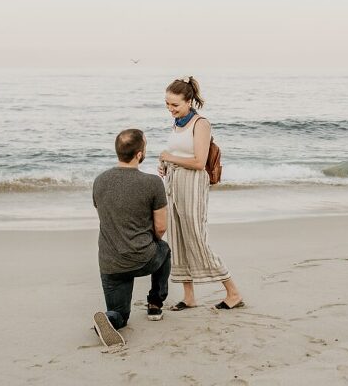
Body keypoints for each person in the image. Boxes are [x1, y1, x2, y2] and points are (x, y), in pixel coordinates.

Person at [158, 76, 244, 310]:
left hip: (193, 184)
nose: (170, 109)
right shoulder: (176, 123)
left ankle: (233, 292)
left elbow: (198, 162)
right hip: (174, 182)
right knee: (178, 238)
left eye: (174, 105)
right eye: (167, 103)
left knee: (196, 238)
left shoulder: (201, 123)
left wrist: (169, 157)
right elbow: (179, 153)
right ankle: (189, 297)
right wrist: (165, 164)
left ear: (189, 101)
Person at [92, 129, 171, 347]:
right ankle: (155, 304)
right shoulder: (153, 183)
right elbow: (161, 228)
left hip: (111, 263)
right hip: (142, 257)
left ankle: (110, 319)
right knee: (164, 249)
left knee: (120, 315)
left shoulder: (99, 181)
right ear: (139, 154)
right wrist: (148, 241)